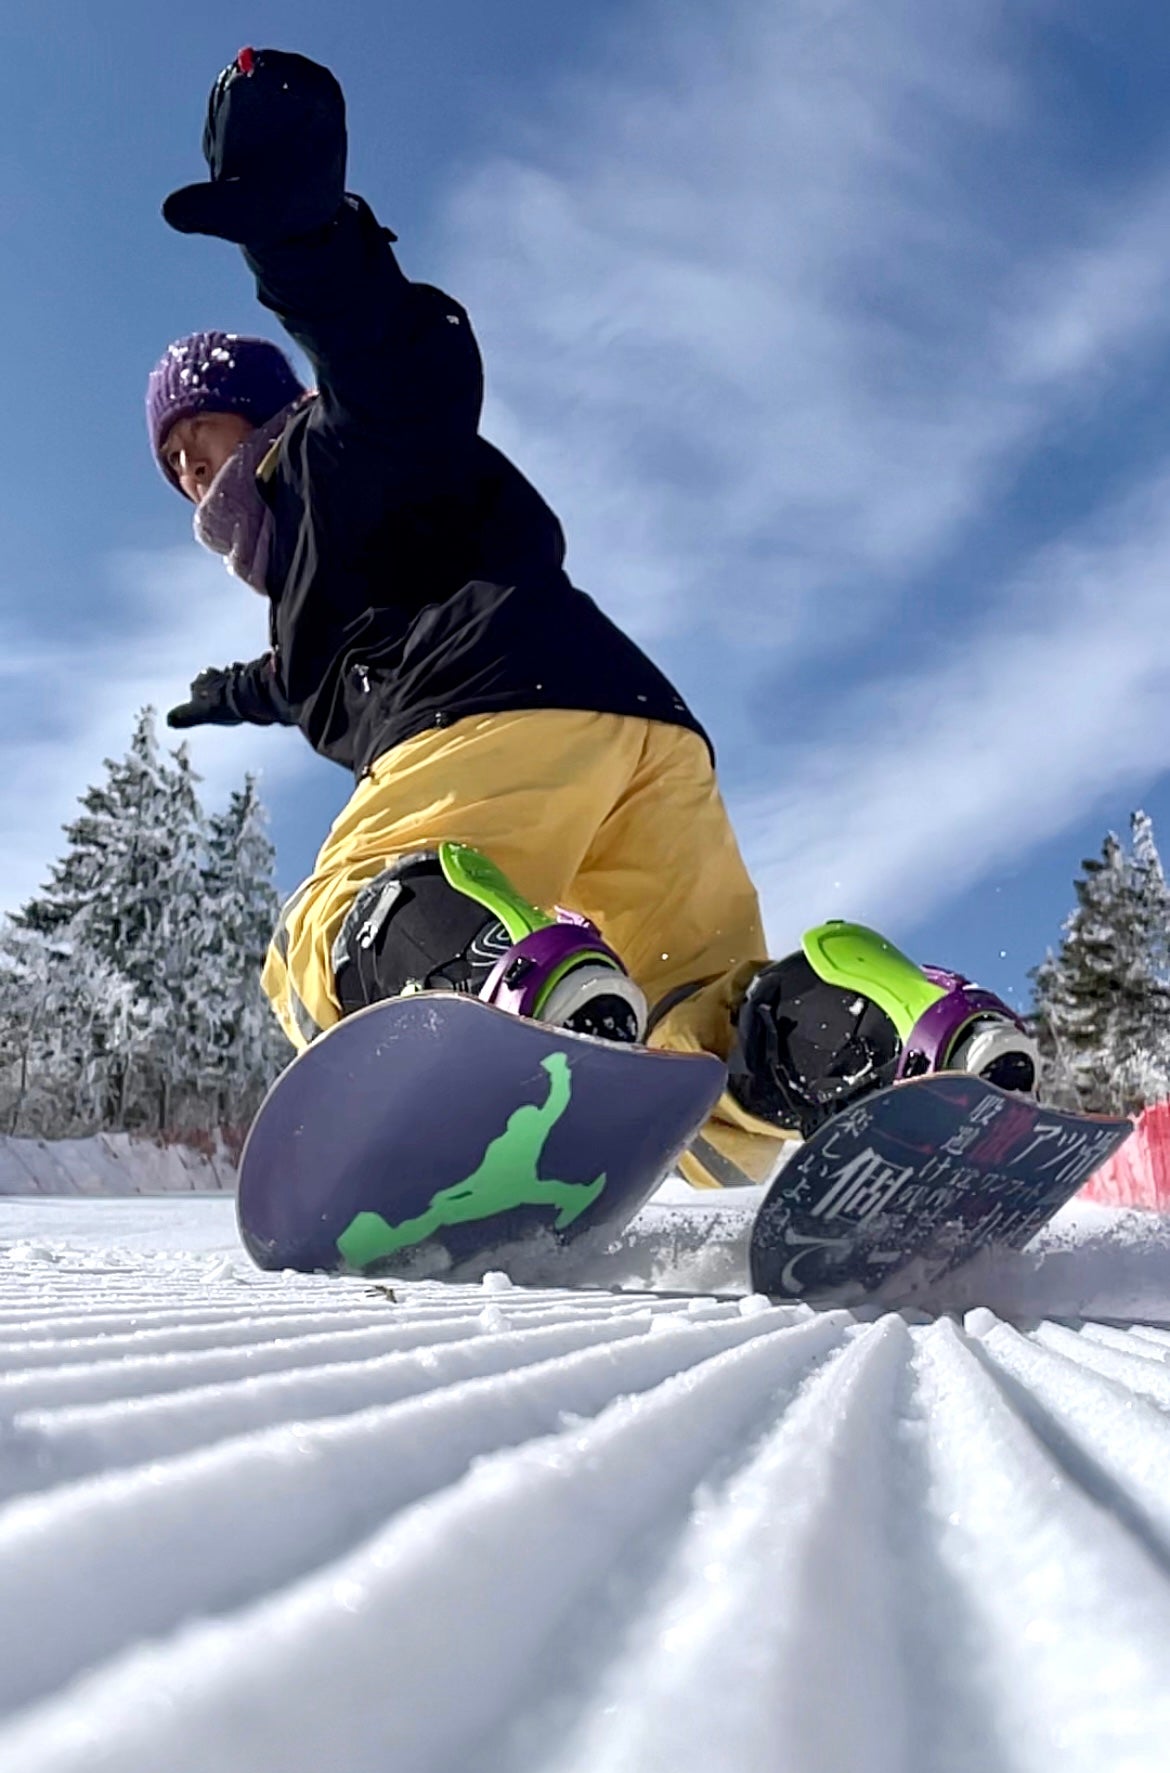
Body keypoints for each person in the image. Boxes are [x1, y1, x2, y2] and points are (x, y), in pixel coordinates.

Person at [151, 47, 1037, 1186]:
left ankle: (495, 1003)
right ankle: (900, 1044)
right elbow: (311, 672)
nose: (187, 469)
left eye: (202, 433)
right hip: (642, 734)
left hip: (491, 709)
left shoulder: (340, 447)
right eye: (170, 456)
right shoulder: (322, 582)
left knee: (322, 932)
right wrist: (236, 692)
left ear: (269, 414)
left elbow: (400, 366)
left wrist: (301, 238)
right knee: (697, 1044)